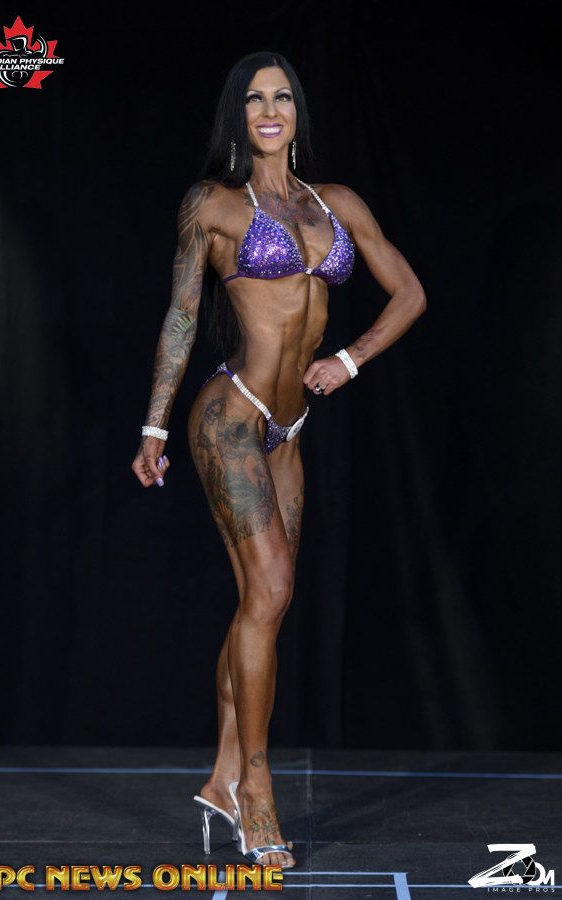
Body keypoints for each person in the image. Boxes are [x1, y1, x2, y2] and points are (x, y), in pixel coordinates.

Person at [131, 50, 426, 869]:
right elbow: (182, 316)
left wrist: (351, 360)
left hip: (287, 429)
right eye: (255, 99)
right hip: (230, 416)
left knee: (263, 604)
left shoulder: (336, 204)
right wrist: (153, 428)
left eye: (282, 98)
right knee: (269, 592)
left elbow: (408, 293)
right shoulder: (215, 204)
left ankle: (221, 776)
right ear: (239, 114)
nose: (270, 110)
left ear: (298, 113)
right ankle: (256, 789)